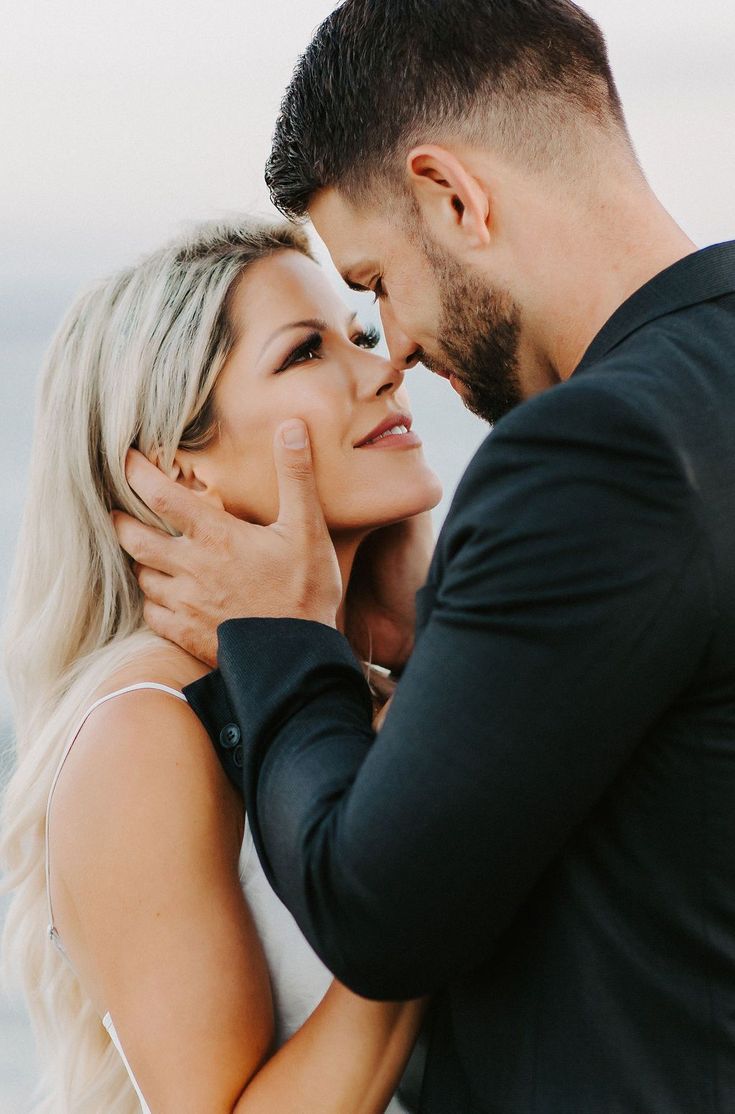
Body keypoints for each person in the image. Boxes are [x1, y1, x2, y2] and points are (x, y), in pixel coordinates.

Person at [115, 1, 735, 1111]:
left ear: (454, 195)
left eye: (373, 288)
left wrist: (286, 634)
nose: (393, 351)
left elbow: (380, 912)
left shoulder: (596, 447)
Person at [0, 217, 439, 1113]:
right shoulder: (148, 729)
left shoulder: (383, 685)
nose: (383, 364)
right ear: (179, 469)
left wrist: (428, 640)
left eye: (357, 334)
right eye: (304, 354)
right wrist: (425, 835)